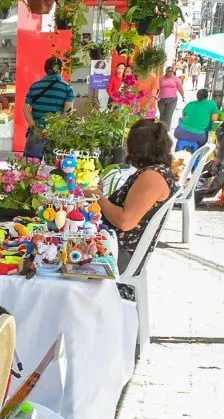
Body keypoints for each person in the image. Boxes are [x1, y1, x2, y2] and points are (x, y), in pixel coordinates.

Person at [95, 119, 177, 272]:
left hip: (121, 253)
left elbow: (125, 221)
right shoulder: (155, 171)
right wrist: (99, 194)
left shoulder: (152, 176)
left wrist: (98, 197)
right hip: (115, 245)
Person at [23, 57, 75, 159]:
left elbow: (25, 109)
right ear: (60, 70)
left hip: (36, 132)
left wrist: (34, 128)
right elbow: (68, 112)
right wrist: (56, 128)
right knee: (53, 164)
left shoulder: (34, 86)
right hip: (56, 133)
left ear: (45, 69)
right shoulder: (67, 88)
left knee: (32, 164)